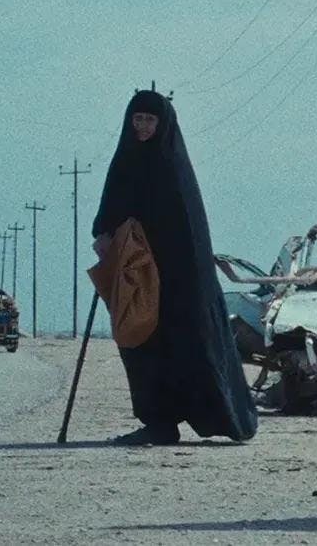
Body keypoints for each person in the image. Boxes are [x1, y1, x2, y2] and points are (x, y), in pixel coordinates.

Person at [92, 89, 257, 445]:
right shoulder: (126, 159)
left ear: (163, 123)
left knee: (187, 345)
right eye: (137, 119)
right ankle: (158, 422)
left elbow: (186, 230)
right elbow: (111, 205)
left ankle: (224, 417)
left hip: (177, 280)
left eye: (150, 120)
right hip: (136, 273)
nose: (142, 126)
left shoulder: (172, 167)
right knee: (138, 343)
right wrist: (104, 234)